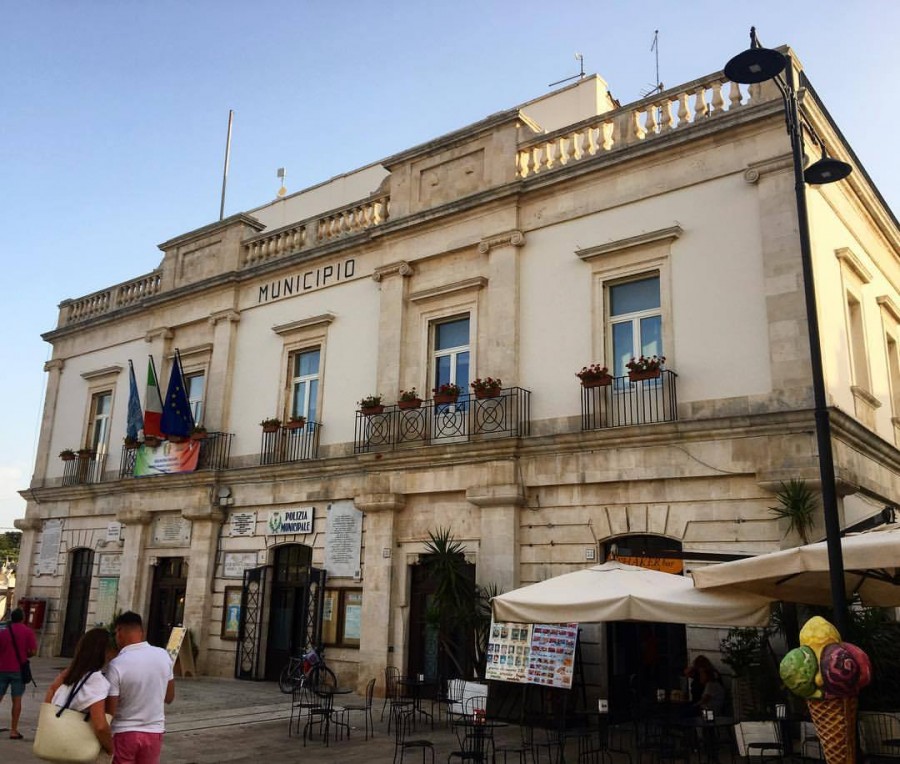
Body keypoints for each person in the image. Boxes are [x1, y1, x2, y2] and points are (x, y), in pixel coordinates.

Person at [105, 611, 174, 764]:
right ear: (141, 632)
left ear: (120, 631)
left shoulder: (116, 665)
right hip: (154, 732)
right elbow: (169, 697)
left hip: (124, 732)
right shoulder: (163, 655)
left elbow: (111, 710)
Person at [44, 627, 113, 757]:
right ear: (103, 652)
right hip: (76, 749)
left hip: (56, 742)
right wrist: (111, 748)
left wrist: (49, 720)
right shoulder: (96, 681)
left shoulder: (69, 673)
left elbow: (52, 690)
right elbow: (100, 726)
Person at [0, 607, 37, 740]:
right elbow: (32, 651)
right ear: (22, 618)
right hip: (18, 670)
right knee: (17, 700)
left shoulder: (3, 632)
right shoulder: (28, 632)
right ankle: (14, 730)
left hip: (2, 669)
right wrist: (24, 655)